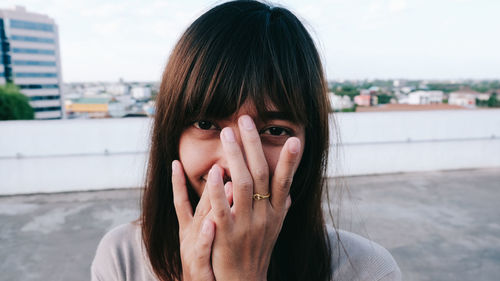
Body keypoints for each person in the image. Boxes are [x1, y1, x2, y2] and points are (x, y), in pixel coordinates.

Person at [91, 1, 401, 280]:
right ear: (171, 135)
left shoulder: (367, 270)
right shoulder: (122, 258)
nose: (235, 166)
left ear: (309, 143)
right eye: (205, 124)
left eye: (274, 131)